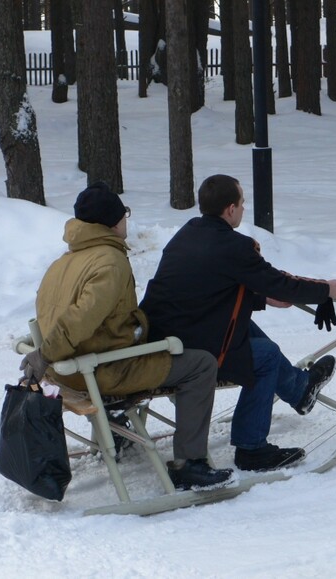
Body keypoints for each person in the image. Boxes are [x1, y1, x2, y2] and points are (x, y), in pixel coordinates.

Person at [19, 181, 233, 491]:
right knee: (200, 364)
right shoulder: (109, 260)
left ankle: (118, 433)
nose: (126, 221)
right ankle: (190, 463)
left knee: (149, 346)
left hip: (65, 372)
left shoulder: (63, 261)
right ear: (112, 221)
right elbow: (80, 320)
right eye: (124, 215)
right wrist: (46, 353)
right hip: (98, 373)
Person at [140, 174, 336, 472]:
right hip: (190, 354)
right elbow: (280, 283)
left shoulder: (187, 234)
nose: (242, 209)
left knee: (246, 329)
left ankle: (301, 389)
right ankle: (252, 448)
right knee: (264, 356)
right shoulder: (234, 246)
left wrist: (261, 299)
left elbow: (205, 290)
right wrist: (327, 290)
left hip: (166, 334)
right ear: (229, 209)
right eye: (241, 203)